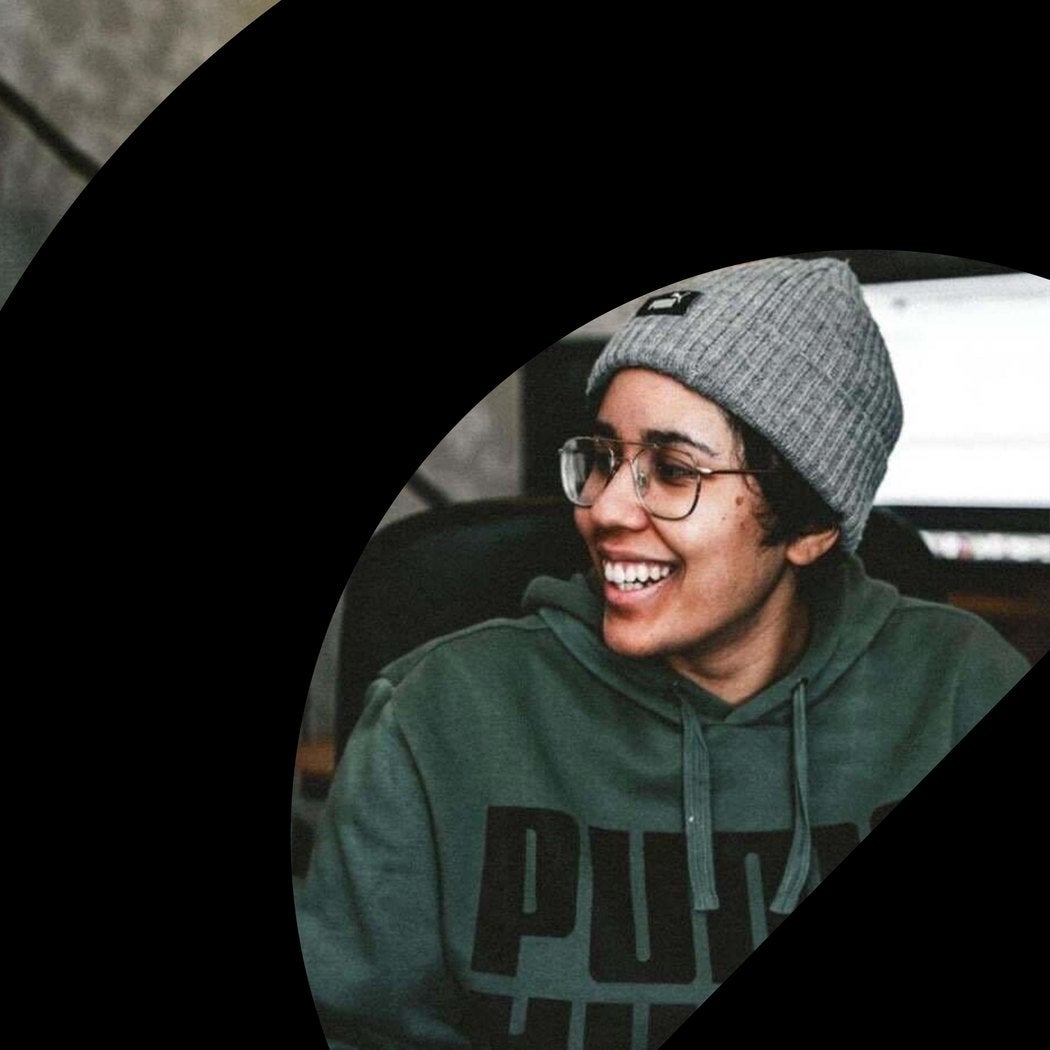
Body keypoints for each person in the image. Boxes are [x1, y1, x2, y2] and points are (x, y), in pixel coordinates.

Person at [295, 256, 1030, 1050]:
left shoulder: (964, 691)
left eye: (674, 471)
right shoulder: (433, 717)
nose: (606, 508)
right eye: (605, 458)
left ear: (811, 524)